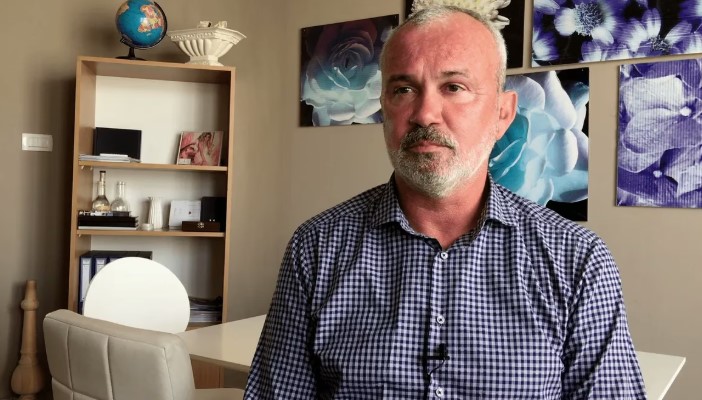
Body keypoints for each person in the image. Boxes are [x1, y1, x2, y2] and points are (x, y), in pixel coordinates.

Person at [245, 5, 645, 399]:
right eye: (403, 89)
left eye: (454, 87)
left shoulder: (578, 261)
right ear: (384, 108)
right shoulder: (316, 248)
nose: (425, 114)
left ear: (503, 113)